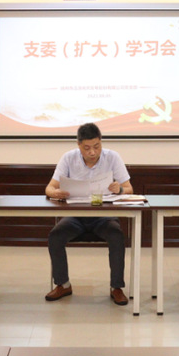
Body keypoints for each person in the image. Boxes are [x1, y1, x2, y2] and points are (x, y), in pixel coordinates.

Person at [44, 122, 133, 306]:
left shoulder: (112, 157)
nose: (92, 152)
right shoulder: (68, 158)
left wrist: (119, 189)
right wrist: (55, 193)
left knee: (116, 235)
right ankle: (63, 284)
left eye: (96, 146)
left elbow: (129, 189)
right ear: (79, 145)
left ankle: (116, 287)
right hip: (76, 215)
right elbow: (49, 188)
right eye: (87, 148)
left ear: (101, 142)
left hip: (104, 216)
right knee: (55, 236)